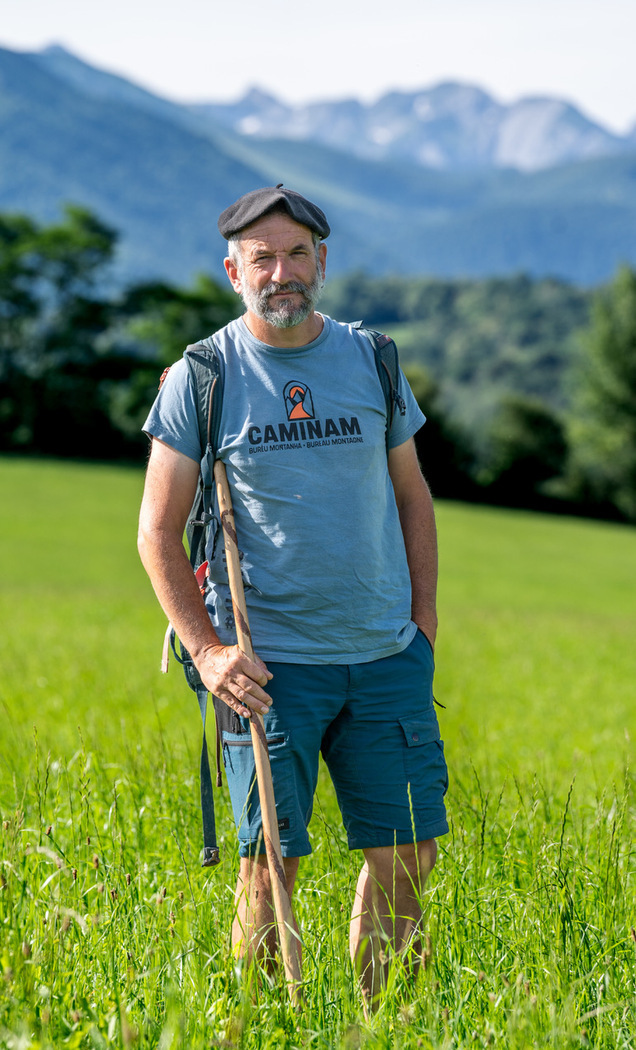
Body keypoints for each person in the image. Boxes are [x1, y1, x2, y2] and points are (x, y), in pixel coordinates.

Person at [137, 185, 448, 1006]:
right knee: (271, 858)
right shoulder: (202, 375)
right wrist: (208, 651)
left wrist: (423, 626)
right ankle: (273, 1025)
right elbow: (156, 530)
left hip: (386, 654)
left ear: (322, 261)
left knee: (408, 848)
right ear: (234, 270)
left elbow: (412, 495)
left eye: (298, 254)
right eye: (264, 258)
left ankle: (380, 1021)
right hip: (267, 665)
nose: (283, 272)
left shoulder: (373, 359)